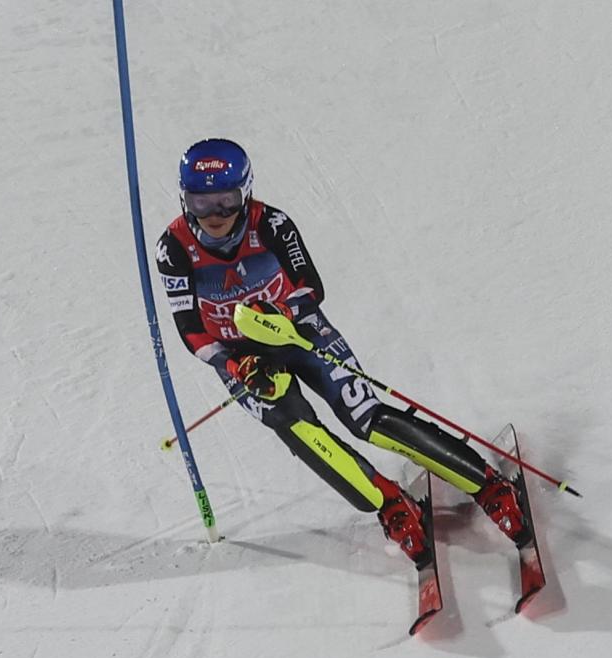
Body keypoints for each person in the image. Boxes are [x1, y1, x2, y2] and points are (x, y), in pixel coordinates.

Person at [155, 138, 530, 568]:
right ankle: (389, 504)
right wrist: (233, 363)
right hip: (244, 359)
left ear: (247, 191)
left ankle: (488, 485)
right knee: (295, 425)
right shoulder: (175, 248)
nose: (215, 215)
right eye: (201, 203)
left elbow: (311, 286)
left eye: (226, 200)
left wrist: (281, 312)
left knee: (365, 418)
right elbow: (190, 331)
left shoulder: (271, 224)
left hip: (298, 333)